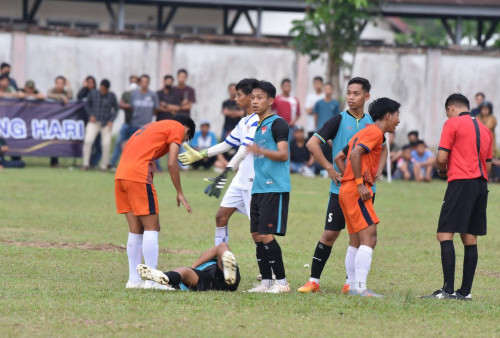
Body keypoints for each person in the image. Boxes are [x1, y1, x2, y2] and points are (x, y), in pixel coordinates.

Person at [297, 77, 384, 294]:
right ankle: (313, 281)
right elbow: (312, 143)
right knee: (329, 234)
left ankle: (350, 283)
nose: (351, 97)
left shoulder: (372, 123)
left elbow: (383, 148)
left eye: (356, 93)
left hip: (364, 191)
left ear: (366, 96)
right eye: (349, 93)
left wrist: (378, 170)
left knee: (357, 237)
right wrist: (329, 167)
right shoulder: (337, 120)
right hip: (340, 190)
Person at [422, 94, 493, 301]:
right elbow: (487, 165)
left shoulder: (452, 123)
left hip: (461, 182)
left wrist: (442, 171)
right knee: (470, 238)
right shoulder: (485, 129)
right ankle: (465, 292)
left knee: (444, 234)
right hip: (481, 185)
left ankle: (447, 290)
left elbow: (442, 157)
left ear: (450, 108)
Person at [115, 115, 195, 290]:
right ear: (186, 129)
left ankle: (133, 280)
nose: (181, 141)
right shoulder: (178, 127)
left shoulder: (153, 126)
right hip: (138, 175)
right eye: (184, 139)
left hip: (121, 175)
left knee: (136, 229)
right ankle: (151, 282)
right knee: (152, 227)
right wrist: (179, 192)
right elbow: (172, 162)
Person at [177, 78, 259, 246]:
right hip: (239, 180)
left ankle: (271, 271)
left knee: (258, 231)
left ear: (250, 97)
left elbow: (244, 150)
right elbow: (227, 144)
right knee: (221, 216)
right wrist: (200, 154)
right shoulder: (243, 121)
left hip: (253, 181)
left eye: (239, 95)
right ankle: (220, 264)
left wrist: (226, 171)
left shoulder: (257, 120)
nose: (235, 99)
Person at [335, 97, 400, 298]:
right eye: (397, 116)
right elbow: (354, 154)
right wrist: (360, 183)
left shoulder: (364, 132)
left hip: (347, 190)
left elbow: (339, 157)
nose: (398, 120)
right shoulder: (374, 132)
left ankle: (354, 287)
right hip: (356, 191)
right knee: (369, 238)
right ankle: (361, 288)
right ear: (388, 115)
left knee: (355, 240)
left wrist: (350, 178)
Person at [245, 80, 291, 293]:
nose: (254, 101)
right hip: (258, 188)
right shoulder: (257, 126)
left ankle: (281, 283)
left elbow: (283, 154)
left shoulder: (278, 123)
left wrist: (259, 150)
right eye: (253, 97)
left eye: (259, 98)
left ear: (271, 100)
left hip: (275, 188)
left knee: (266, 235)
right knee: (256, 234)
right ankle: (266, 282)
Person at [136, 243, 240, 292]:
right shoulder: (191, 277)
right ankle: (164, 277)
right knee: (185, 271)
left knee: (222, 246)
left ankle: (164, 276)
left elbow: (216, 249)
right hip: (209, 281)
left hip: (220, 272)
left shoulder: (198, 268)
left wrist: (194, 266)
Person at [82, 79, 118, 171]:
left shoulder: (112, 96)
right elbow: (87, 105)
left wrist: (111, 120)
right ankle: (85, 164)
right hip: (94, 122)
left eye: (104, 89)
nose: (102, 91)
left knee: (106, 144)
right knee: (88, 141)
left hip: (105, 123)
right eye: (101, 88)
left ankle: (104, 165)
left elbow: (116, 110)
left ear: (107, 89)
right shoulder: (93, 93)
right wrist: (90, 115)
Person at [110, 75, 139, 169]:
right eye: (131, 81)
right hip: (127, 123)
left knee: (137, 146)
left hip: (138, 124)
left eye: (135, 81)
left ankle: (135, 165)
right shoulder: (126, 94)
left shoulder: (141, 94)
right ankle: (112, 163)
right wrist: (131, 106)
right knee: (119, 142)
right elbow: (121, 104)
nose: (133, 83)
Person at [47, 75, 73, 167]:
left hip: (62, 120)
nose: (59, 85)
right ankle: (53, 161)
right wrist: (61, 97)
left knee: (58, 139)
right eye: (58, 83)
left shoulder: (66, 92)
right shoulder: (51, 91)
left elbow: (71, 97)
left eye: (62, 83)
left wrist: (69, 86)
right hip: (50, 119)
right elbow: (49, 95)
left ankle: (55, 161)